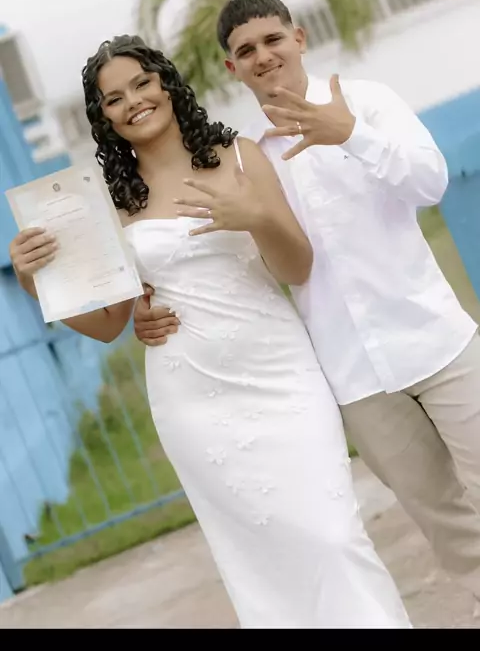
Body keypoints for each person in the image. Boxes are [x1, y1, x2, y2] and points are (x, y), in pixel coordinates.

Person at [8, 35, 411, 630]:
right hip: (190, 396)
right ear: (103, 117)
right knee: (259, 560)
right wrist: (34, 282)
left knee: (331, 534)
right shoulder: (110, 205)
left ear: (167, 84)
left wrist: (255, 217)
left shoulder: (241, 156)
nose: (133, 101)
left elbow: (297, 267)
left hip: (280, 375)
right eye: (114, 99)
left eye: (142, 83)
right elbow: (108, 324)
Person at [133, 0, 480, 608]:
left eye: (273, 39)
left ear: (299, 38)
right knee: (446, 522)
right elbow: (243, 262)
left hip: (438, 341)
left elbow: (430, 182)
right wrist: (146, 298)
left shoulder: (366, 102)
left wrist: (351, 135)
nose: (263, 55)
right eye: (246, 50)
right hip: (355, 378)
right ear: (233, 68)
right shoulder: (243, 158)